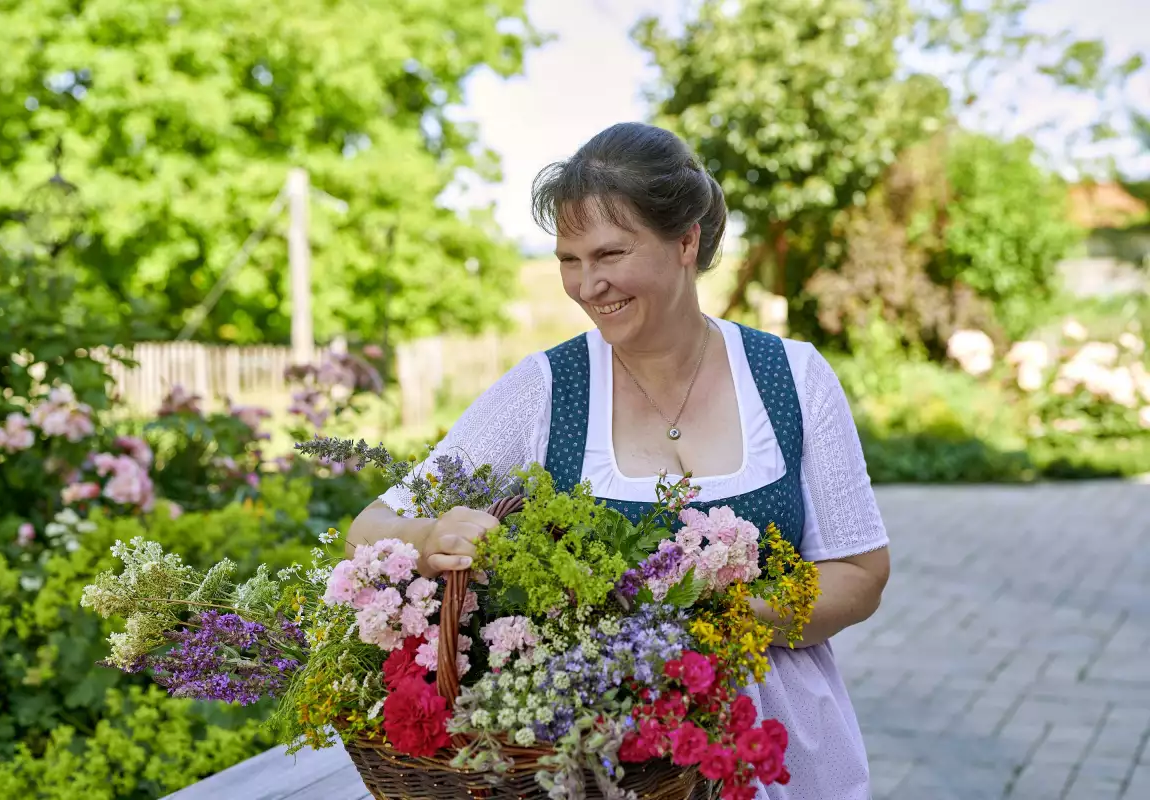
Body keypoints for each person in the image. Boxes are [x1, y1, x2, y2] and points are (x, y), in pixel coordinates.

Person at [349, 122, 891, 799]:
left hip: (782, 755)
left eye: (610, 252)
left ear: (686, 240)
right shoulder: (547, 389)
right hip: (612, 766)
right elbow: (371, 524)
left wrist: (719, 614)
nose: (587, 284)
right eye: (568, 259)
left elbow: (861, 573)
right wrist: (429, 538)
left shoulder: (792, 378)